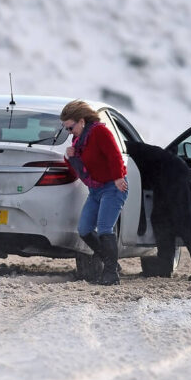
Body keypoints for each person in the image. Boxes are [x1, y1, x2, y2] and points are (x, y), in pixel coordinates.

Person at [126, 141, 191, 281]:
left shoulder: (117, 147)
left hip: (172, 172)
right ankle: (164, 266)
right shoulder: (124, 145)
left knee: (183, 218)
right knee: (160, 219)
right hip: (165, 174)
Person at [61, 100, 128, 286]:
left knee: (105, 228)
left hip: (113, 187)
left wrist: (117, 177)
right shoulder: (78, 140)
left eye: (70, 127)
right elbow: (79, 170)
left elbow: (115, 155)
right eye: (66, 129)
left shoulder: (100, 131)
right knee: (84, 229)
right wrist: (70, 157)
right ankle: (110, 262)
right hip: (95, 190)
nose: (69, 132)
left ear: (82, 121)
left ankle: (111, 274)